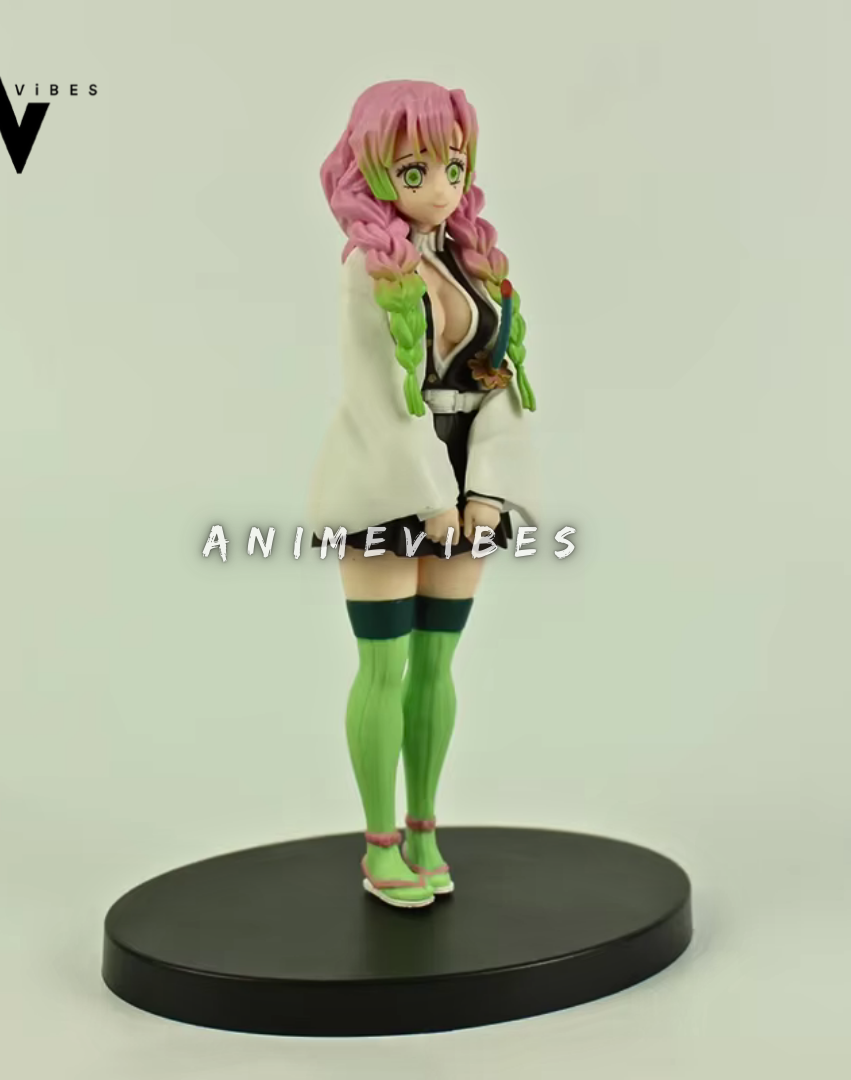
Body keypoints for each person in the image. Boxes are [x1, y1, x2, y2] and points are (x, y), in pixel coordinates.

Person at [310, 80, 539, 908]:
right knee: (385, 663)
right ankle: (379, 847)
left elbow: (502, 380)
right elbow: (378, 396)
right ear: (373, 172)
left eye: (453, 166)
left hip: (464, 479)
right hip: (386, 484)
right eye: (414, 171)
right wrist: (435, 499)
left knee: (438, 661)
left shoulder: (475, 264)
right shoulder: (368, 272)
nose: (440, 187)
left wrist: (487, 492)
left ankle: (424, 830)